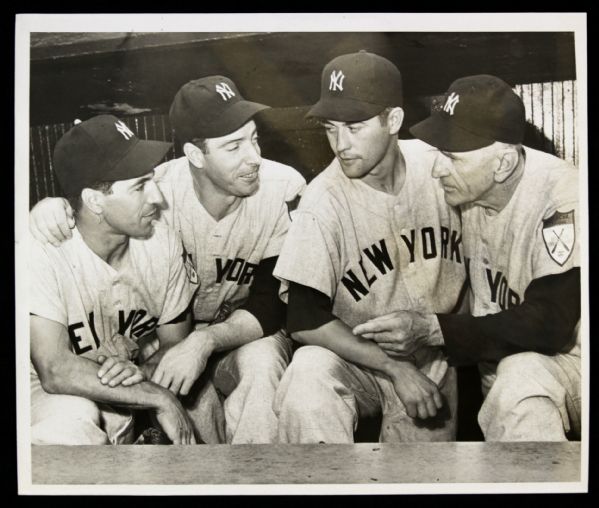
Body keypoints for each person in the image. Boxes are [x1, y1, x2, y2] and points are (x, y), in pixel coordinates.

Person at [29, 76, 306, 444]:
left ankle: (255, 476)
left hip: (214, 340)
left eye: (254, 140)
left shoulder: (161, 234)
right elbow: (54, 368)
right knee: (82, 416)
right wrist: (47, 207)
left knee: (258, 364)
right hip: (66, 383)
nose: (156, 197)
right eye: (233, 146)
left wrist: (170, 361)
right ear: (195, 155)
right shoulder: (53, 240)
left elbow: (268, 306)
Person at [353, 75, 581, 441]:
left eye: (451, 157)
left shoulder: (563, 197)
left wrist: (432, 328)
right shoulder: (469, 190)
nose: (437, 168)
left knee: (520, 378)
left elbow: (550, 323)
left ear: (503, 163)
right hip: (507, 381)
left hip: (574, 366)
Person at [272, 51, 466, 443]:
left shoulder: (440, 168)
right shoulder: (322, 201)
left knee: (424, 480)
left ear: (393, 120)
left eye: (355, 127)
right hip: (353, 358)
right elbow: (304, 319)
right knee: (307, 374)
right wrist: (396, 370)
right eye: (330, 128)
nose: (340, 144)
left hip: (431, 356)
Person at [30, 115, 199, 445]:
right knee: (75, 417)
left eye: (153, 181)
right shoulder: (44, 248)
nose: (157, 198)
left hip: (123, 377)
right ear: (94, 201)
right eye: (139, 187)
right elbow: (54, 370)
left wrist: (137, 375)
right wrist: (155, 395)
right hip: (38, 390)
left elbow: (174, 345)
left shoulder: (161, 241)